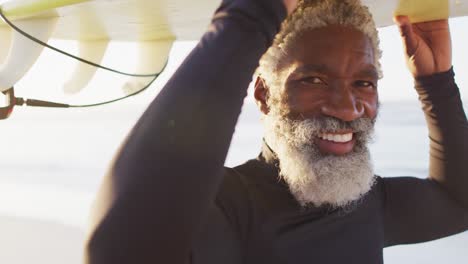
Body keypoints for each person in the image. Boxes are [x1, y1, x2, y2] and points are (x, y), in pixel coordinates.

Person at [85, 0, 468, 263]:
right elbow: (122, 249)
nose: (347, 108)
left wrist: (437, 85)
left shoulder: (369, 202)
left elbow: (459, 204)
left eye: (364, 84)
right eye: (315, 79)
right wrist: (250, 19)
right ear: (264, 94)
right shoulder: (232, 208)